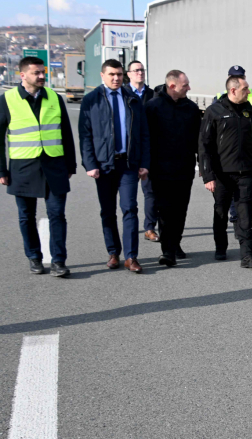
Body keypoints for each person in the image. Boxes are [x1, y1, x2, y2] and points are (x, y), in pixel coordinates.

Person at [0, 56, 77, 277]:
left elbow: (66, 133)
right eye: (36, 73)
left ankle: (59, 261)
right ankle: (34, 257)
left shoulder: (54, 97)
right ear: (23, 75)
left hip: (54, 165)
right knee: (26, 216)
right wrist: (2, 170)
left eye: (43, 72)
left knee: (57, 214)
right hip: (23, 167)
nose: (42, 76)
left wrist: (70, 164)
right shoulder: (7, 100)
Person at [79, 59, 151, 273]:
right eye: (111, 74)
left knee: (130, 208)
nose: (116, 78)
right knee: (108, 211)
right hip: (104, 165)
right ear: (102, 76)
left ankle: (131, 257)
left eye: (119, 74)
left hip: (128, 163)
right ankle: (113, 253)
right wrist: (90, 164)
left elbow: (144, 133)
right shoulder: (91, 100)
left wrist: (144, 163)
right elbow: (85, 135)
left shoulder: (132, 99)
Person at [199, 74, 252, 269]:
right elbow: (204, 145)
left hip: (246, 173)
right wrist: (208, 175)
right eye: (245, 89)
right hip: (222, 174)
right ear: (233, 90)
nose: (248, 92)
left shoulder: (250, 111)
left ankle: (247, 255)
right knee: (220, 211)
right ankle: (221, 247)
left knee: (244, 214)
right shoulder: (214, 111)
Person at [145, 70, 202, 266]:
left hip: (184, 169)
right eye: (185, 85)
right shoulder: (153, 107)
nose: (189, 88)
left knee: (180, 210)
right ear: (172, 86)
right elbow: (145, 139)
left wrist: (203, 164)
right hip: (160, 170)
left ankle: (175, 243)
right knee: (165, 211)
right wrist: (144, 165)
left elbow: (199, 140)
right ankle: (167, 251)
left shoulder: (191, 108)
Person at [216, 66, 252, 228]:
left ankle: (247, 211)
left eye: (241, 76)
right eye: (235, 76)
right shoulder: (220, 99)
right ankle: (238, 218)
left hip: (251, 150)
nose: (239, 78)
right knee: (235, 188)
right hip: (229, 154)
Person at [127, 60, 160, 244]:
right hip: (128, 151)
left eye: (142, 70)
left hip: (149, 149)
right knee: (128, 195)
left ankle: (149, 228)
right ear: (129, 74)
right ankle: (129, 226)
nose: (140, 73)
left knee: (150, 192)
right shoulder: (123, 93)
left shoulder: (152, 94)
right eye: (136, 70)